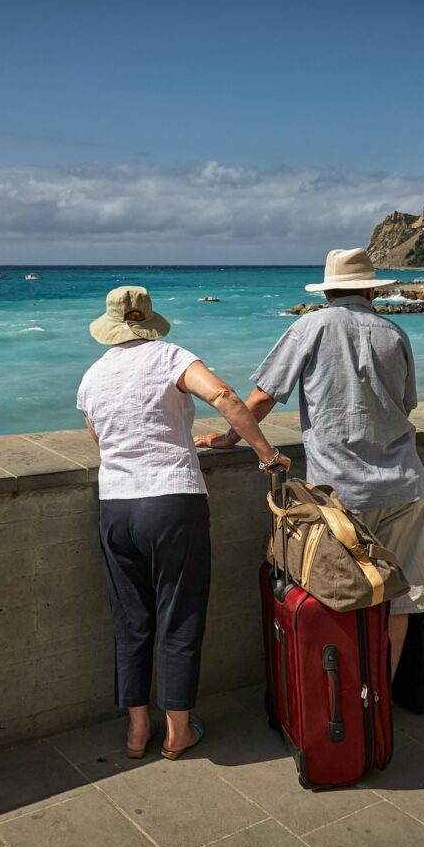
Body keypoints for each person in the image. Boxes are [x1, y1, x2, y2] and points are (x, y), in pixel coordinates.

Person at [195, 248, 424, 678]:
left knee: (343, 596)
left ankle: (348, 704)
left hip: (341, 494)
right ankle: (381, 701)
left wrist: (230, 437)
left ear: (327, 292)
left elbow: (264, 395)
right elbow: (406, 407)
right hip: (404, 486)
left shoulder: (310, 326)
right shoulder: (395, 333)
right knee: (403, 599)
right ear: (372, 290)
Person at [77, 285, 290, 761]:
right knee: (179, 614)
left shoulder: (92, 377)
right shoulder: (170, 357)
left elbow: (102, 440)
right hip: (172, 501)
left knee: (130, 620)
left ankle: (136, 731)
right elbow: (225, 395)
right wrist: (267, 454)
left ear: (110, 327)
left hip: (116, 506)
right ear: (149, 321)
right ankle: (177, 731)